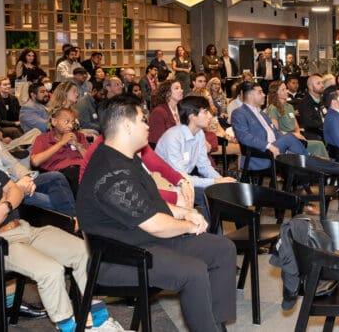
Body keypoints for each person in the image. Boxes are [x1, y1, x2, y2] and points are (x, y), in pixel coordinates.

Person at [0, 105, 122, 332]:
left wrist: (5, 203)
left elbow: (16, 190)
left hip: (21, 228)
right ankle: (68, 327)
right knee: (51, 271)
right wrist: (8, 200)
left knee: (84, 252)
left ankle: (99, 321)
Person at [78, 95, 236, 331]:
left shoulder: (127, 158)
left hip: (145, 242)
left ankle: (214, 323)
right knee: (193, 271)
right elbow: (154, 223)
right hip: (120, 257)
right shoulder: (110, 171)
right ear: (127, 125)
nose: (148, 125)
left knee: (222, 249)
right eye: (143, 120)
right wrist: (190, 226)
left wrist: (183, 213)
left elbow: (150, 203)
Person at [0, 91, 77, 216]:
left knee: (56, 177)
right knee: (58, 201)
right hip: (3, 192)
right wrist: (16, 186)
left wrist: (26, 177)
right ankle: (74, 220)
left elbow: (12, 163)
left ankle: (73, 218)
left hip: (17, 180)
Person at [156, 96, 238, 218]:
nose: (210, 116)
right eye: (205, 112)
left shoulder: (199, 133)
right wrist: (216, 181)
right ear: (192, 116)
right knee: (208, 197)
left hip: (183, 182)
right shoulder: (173, 138)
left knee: (221, 192)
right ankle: (210, 235)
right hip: (165, 185)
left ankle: (217, 235)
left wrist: (222, 181)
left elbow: (204, 166)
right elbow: (180, 177)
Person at [230, 81, 309, 172]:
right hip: (258, 156)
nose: (264, 95)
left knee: (296, 155)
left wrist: (284, 146)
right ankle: (310, 164)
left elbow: (275, 132)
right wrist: (268, 146)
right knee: (290, 138)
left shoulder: (262, 114)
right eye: (260, 92)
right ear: (250, 96)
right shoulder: (239, 113)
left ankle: (307, 171)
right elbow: (244, 136)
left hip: (274, 150)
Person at [30, 108, 90, 192]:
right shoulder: (42, 139)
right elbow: (35, 162)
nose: (70, 126)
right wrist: (61, 143)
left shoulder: (79, 136)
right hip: (59, 176)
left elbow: (91, 160)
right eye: (66, 122)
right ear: (54, 122)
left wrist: (78, 146)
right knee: (74, 172)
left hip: (82, 171)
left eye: (72, 122)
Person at [268, 81, 327, 158]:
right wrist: (294, 135)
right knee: (318, 145)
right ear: (276, 93)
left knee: (319, 143)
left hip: (297, 137)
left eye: (286, 89)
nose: (286, 91)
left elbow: (296, 126)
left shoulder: (289, 106)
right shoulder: (273, 108)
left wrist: (298, 134)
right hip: (287, 141)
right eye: (283, 90)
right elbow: (276, 131)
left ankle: (323, 167)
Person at [148, 80, 185, 148]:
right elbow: (156, 141)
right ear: (167, 93)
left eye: (181, 88)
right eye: (177, 88)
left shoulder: (181, 109)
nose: (181, 90)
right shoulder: (159, 112)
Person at [295, 74, 327, 141]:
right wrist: (326, 124)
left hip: (325, 131)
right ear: (310, 87)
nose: (322, 85)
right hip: (313, 134)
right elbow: (309, 123)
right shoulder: (305, 103)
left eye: (322, 83)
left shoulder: (323, 100)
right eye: (318, 83)